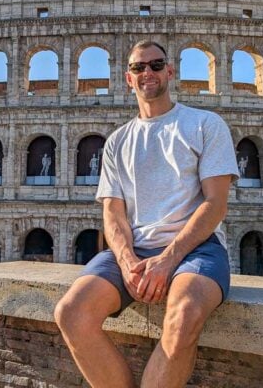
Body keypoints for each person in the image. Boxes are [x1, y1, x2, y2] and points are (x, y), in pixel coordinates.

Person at [55, 40, 238, 388]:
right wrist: (126, 261)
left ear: (170, 71)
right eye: (139, 68)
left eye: (156, 65)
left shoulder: (205, 124)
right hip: (135, 250)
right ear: (128, 78)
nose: (148, 73)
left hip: (196, 250)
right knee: (71, 313)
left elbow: (216, 204)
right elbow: (113, 211)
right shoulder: (117, 141)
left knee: (183, 317)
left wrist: (168, 259)